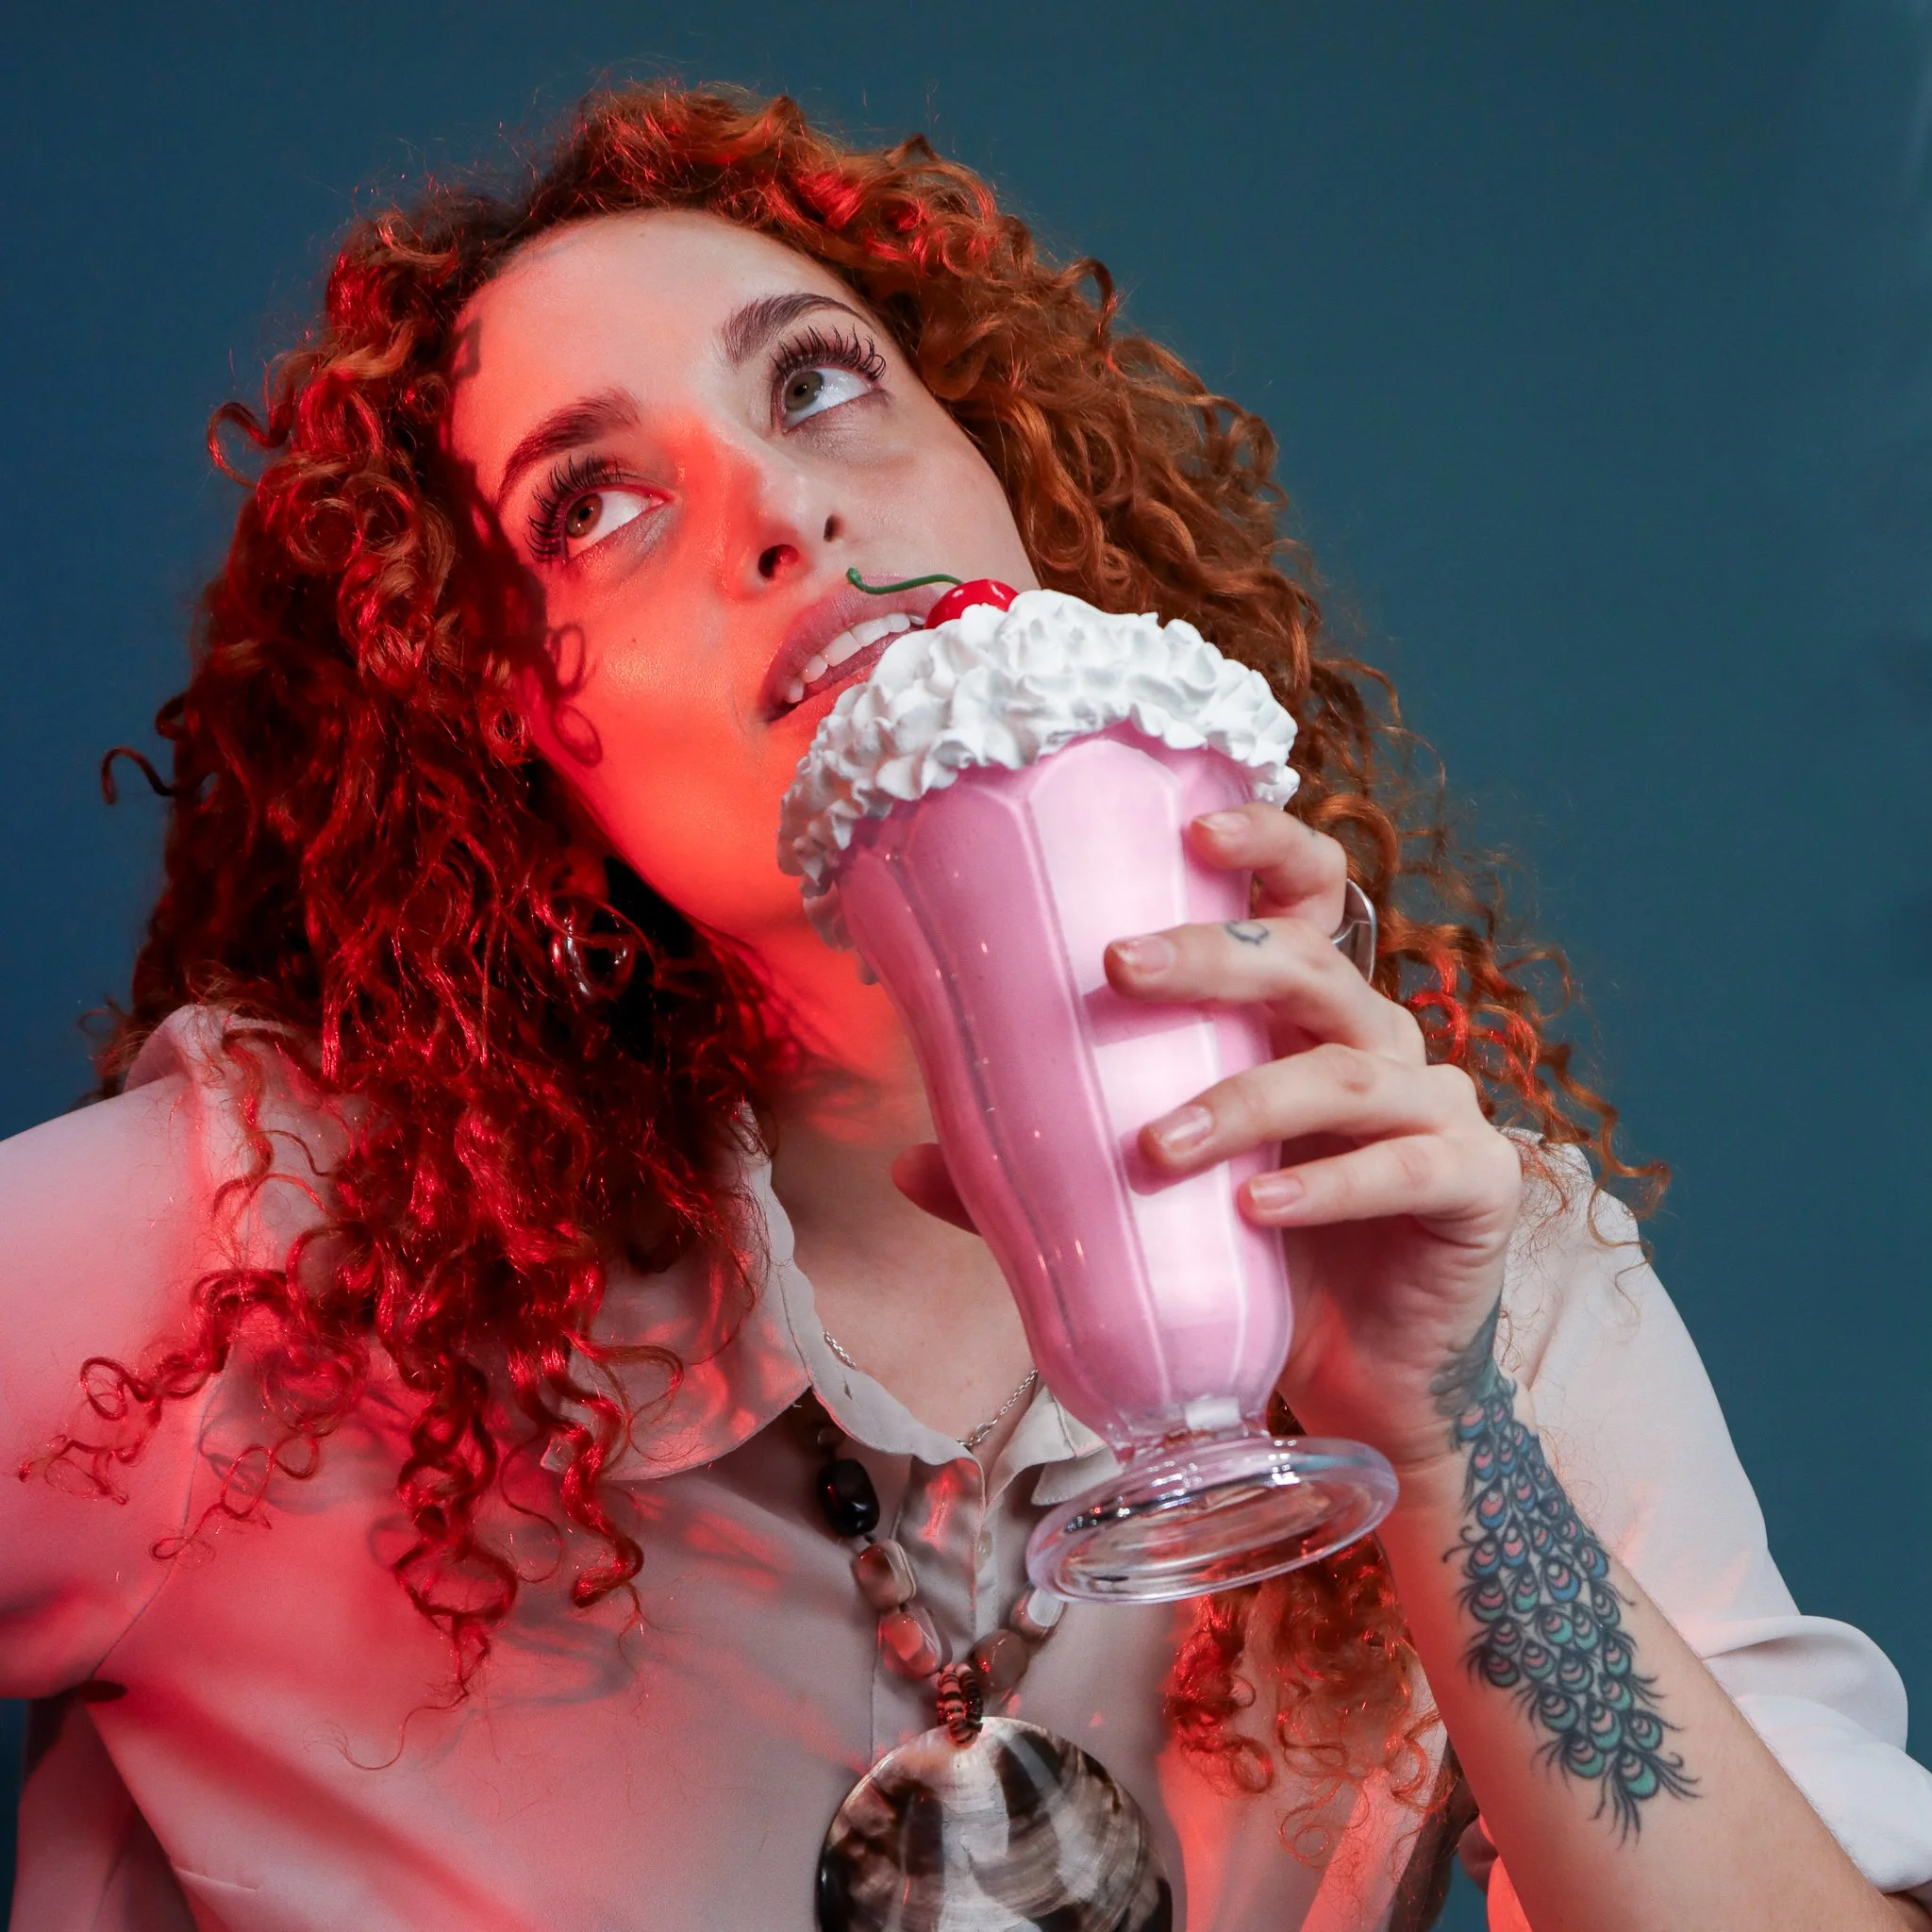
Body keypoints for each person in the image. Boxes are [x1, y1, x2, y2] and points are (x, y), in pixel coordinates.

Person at [1, 85, 1927, 1932]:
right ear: (503, 713)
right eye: (589, 500)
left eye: (818, 380)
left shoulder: (1457, 1259)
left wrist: (1442, 1444)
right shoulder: (264, 1256)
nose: (777, 509)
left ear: (1007, 486)